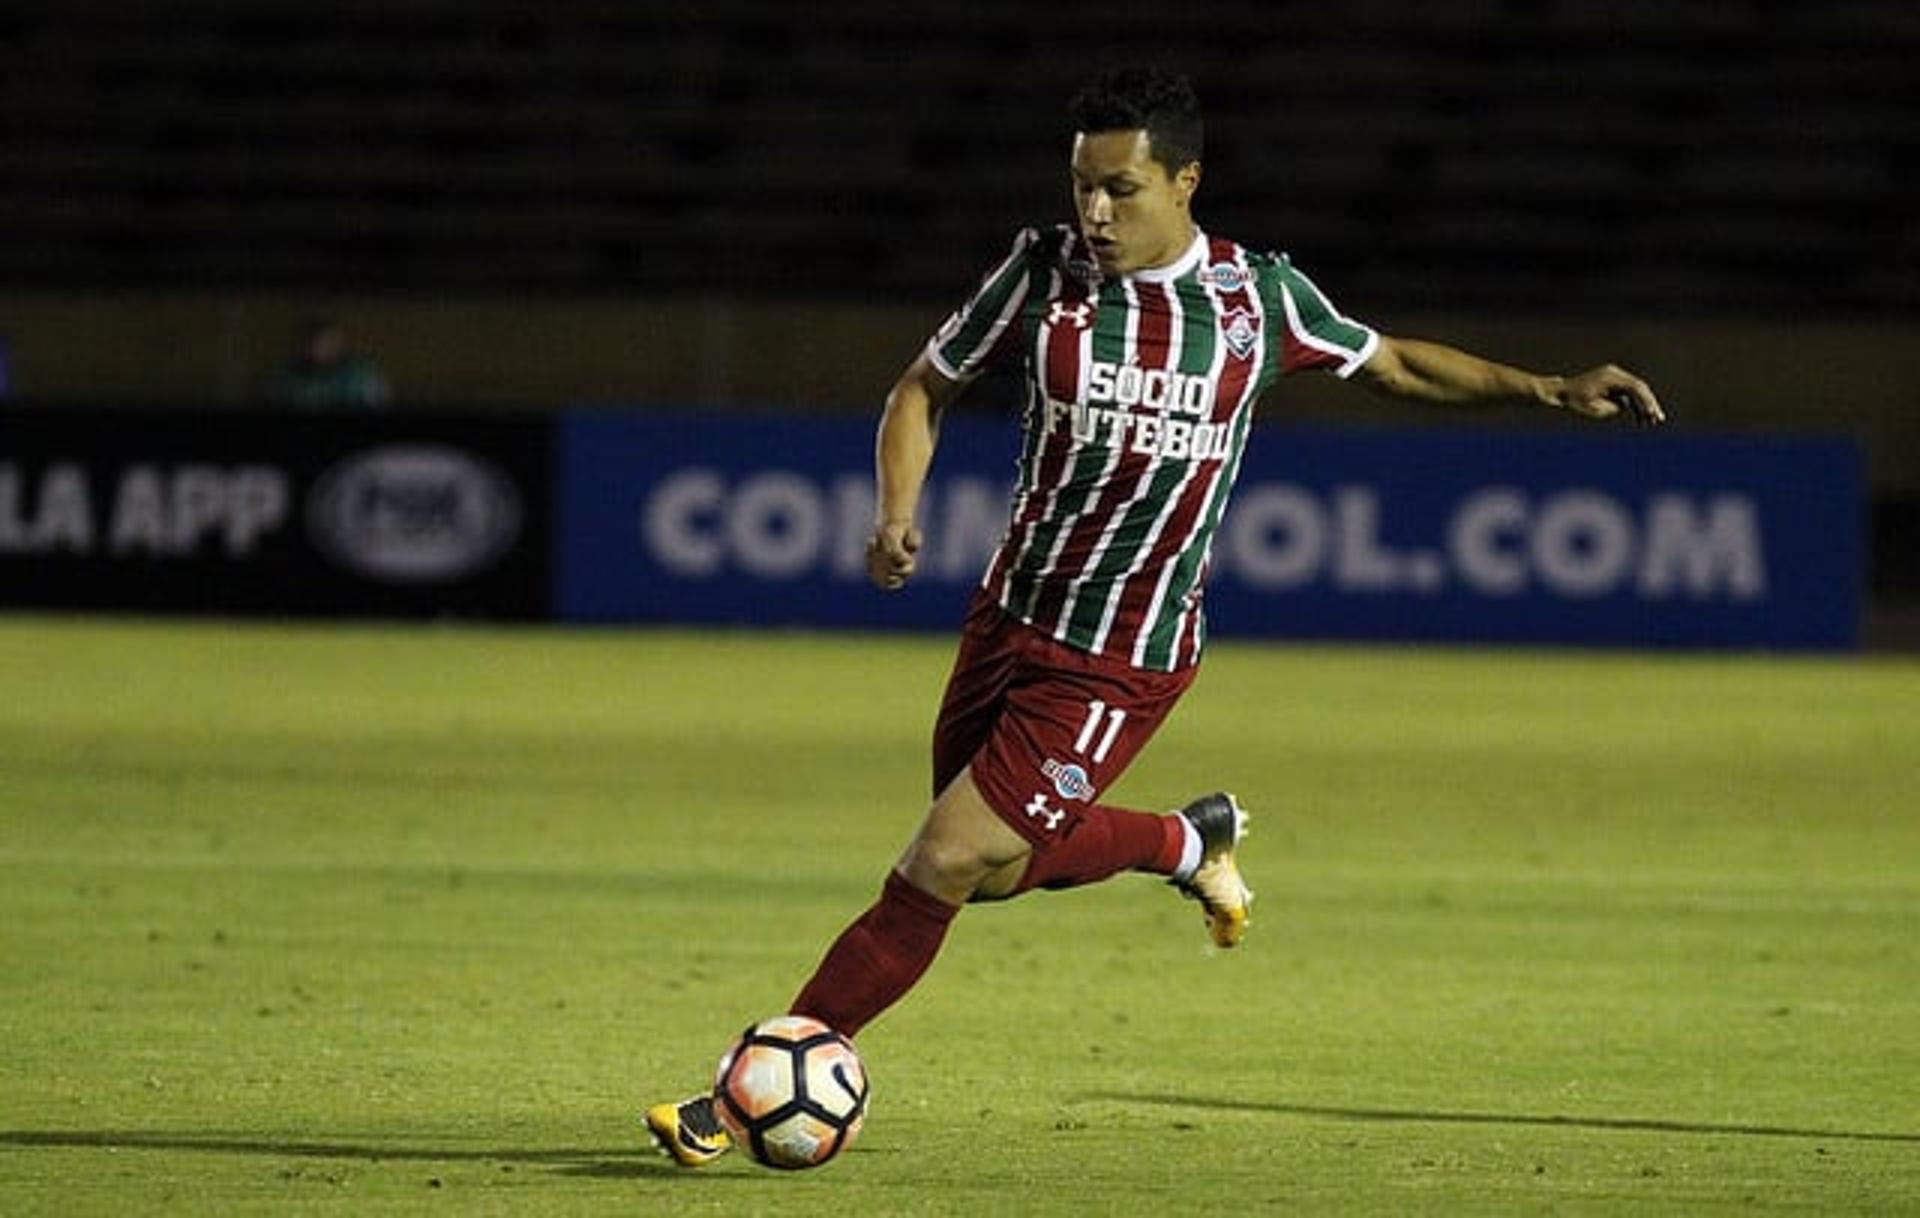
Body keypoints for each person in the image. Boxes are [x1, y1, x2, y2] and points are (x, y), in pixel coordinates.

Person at [645, 64, 1664, 1166]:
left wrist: (1549, 390)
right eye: (1083, 184)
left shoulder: (1256, 301)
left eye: (1120, 189)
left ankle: (756, 1086)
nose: (1094, 211)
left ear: (1185, 180)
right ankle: (1185, 840)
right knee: (988, 871)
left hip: (1121, 657)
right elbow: (919, 390)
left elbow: (1398, 364)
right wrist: (898, 510)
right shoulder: (1042, 273)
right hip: (1010, 617)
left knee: (941, 861)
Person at [268, 316, 391, 410]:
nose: (318, 347)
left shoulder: (362, 376)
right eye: (313, 341)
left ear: (340, 342)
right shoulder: (285, 379)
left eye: (327, 340)